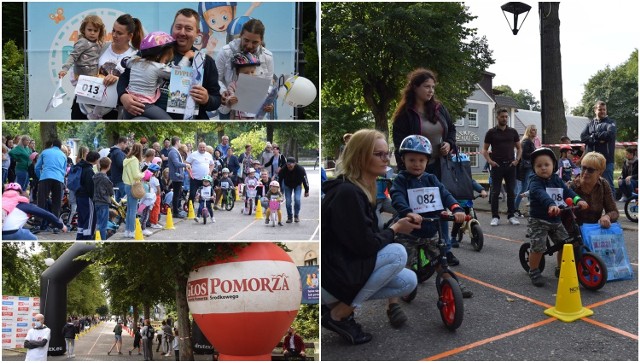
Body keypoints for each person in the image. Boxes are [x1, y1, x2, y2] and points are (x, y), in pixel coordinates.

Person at [321, 129, 421, 345]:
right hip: (329, 277)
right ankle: (340, 314)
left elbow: (366, 238)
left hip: (342, 269)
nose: (386, 159)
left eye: (387, 153)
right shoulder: (347, 193)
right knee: (397, 253)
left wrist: (399, 221)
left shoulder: (362, 189)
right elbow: (367, 247)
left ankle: (334, 307)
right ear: (359, 157)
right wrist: (395, 229)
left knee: (408, 280)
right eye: (379, 154)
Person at [391, 68, 460, 263]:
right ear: (414, 87)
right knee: (416, 208)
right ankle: (411, 243)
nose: (430, 91)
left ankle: (444, 248)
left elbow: (451, 129)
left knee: (438, 208)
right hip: (414, 169)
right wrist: (405, 172)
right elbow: (399, 145)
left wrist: (449, 143)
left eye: (433, 87)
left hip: (438, 165)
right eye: (426, 87)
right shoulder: (405, 114)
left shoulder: (439, 108)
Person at [390, 135, 472, 296]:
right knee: (404, 263)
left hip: (430, 230)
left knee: (440, 261)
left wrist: (456, 208)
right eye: (412, 160)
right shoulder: (401, 180)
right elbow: (397, 197)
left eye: (421, 160)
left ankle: (452, 284)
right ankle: (399, 290)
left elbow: (444, 193)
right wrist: (408, 212)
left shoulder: (431, 179)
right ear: (403, 160)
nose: (417, 164)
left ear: (427, 161)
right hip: (409, 232)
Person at [119, 8, 222, 120]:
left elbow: (216, 99)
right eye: (178, 27)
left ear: (197, 33)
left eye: (188, 29)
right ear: (172, 27)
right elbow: (125, 77)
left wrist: (207, 99)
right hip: (147, 115)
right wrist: (123, 96)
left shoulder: (205, 61)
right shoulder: (154, 49)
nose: (182, 32)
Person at [525, 148, 588, 286]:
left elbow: (567, 191)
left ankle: (560, 268)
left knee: (565, 244)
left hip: (555, 218)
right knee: (538, 247)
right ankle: (534, 270)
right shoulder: (535, 182)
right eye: (539, 166)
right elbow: (541, 194)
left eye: (546, 165)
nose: (543, 168)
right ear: (534, 168)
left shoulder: (556, 179)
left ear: (553, 165)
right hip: (539, 220)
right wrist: (551, 204)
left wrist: (578, 200)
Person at [71, 14, 142, 120]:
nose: (114, 35)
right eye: (113, 30)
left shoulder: (135, 56)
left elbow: (136, 85)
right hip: (84, 105)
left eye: (119, 33)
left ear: (130, 36)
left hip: (112, 111)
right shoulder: (101, 46)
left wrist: (118, 80)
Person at [122, 31, 194, 119]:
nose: (167, 61)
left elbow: (124, 62)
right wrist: (186, 57)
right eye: (167, 58)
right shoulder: (157, 67)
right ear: (160, 55)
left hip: (128, 108)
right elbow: (177, 74)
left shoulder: (134, 61)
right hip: (144, 106)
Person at [216, 18, 274, 119]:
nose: (249, 45)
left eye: (255, 42)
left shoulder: (267, 57)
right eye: (246, 40)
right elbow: (216, 79)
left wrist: (267, 102)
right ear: (241, 35)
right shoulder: (225, 52)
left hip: (254, 110)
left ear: (261, 40)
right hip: (228, 108)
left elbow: (268, 84)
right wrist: (225, 93)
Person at [481, 108, 522, 226]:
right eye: (502, 116)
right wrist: (490, 161)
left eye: (506, 116)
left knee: (511, 192)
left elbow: (519, 148)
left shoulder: (513, 132)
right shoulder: (491, 132)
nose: (504, 118)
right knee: (495, 192)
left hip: (510, 165)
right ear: (497, 117)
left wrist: (517, 160)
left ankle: (511, 215)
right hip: (497, 166)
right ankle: (495, 217)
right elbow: (484, 149)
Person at [567, 152, 619, 228]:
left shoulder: (603, 185)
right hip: (574, 232)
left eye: (590, 170)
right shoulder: (573, 186)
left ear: (600, 172)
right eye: (583, 168)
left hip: (594, 232)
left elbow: (614, 212)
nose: (585, 172)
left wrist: (607, 217)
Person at [2, 183, 67, 240]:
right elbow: (46, 214)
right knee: (33, 239)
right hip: (12, 232)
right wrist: (61, 225)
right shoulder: (24, 205)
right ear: (20, 193)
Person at [580, 100, 617, 195]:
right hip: (590, 162)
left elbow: (609, 135)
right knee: (588, 184)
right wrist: (597, 140)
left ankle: (612, 208)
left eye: (604, 110)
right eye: (600, 109)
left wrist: (592, 135)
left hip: (606, 161)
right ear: (595, 110)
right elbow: (583, 137)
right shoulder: (589, 124)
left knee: (608, 186)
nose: (603, 112)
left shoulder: (611, 123)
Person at [218, 52, 269, 119]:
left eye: (252, 72)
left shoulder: (258, 86)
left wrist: (268, 106)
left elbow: (264, 101)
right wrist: (230, 101)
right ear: (237, 72)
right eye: (246, 73)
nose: (250, 75)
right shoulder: (233, 86)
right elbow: (229, 99)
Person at [34, 139, 67, 234]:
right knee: (56, 203)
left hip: (46, 177)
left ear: (52, 144)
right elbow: (64, 171)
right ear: (60, 147)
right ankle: (55, 226)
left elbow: (37, 167)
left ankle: (37, 224)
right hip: (58, 179)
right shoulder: (63, 155)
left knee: (41, 201)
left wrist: (40, 177)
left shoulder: (45, 152)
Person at [74, 151, 100, 240]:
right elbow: (90, 186)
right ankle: (88, 236)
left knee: (81, 217)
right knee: (90, 218)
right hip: (87, 197)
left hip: (79, 195)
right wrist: (94, 198)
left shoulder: (80, 166)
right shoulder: (89, 170)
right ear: (95, 160)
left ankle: (80, 235)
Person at [277, 157, 309, 223]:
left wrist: (306, 190)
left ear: (295, 164)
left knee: (297, 199)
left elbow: (305, 180)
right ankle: (289, 217)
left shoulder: (300, 169)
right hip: (287, 185)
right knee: (288, 201)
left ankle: (296, 215)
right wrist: (279, 189)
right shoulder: (283, 169)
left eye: (291, 164)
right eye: (288, 164)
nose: (289, 166)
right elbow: (279, 179)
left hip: (297, 185)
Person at [186, 142, 215, 213]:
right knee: (192, 194)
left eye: (203, 147)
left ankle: (206, 208)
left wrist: (210, 171)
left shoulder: (208, 155)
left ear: (206, 148)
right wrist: (189, 173)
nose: (202, 149)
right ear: (198, 147)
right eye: (201, 147)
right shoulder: (193, 154)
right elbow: (186, 163)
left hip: (205, 179)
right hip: (195, 178)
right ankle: (190, 209)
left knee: (207, 194)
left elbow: (212, 164)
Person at [122, 143, 144, 238]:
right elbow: (136, 175)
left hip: (127, 184)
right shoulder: (134, 160)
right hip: (133, 185)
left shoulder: (127, 159)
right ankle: (131, 230)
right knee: (133, 210)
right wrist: (143, 174)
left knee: (129, 209)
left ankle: (127, 230)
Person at [514, 125, 537, 218]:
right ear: (528, 131)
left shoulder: (529, 141)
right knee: (523, 189)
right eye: (532, 130)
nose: (534, 132)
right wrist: (535, 153)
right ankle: (514, 209)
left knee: (528, 188)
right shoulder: (526, 141)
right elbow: (524, 155)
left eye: (535, 130)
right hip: (526, 168)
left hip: (528, 167)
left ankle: (531, 209)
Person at [168, 137, 190, 218]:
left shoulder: (174, 151)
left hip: (178, 176)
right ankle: (175, 212)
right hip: (176, 176)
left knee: (178, 193)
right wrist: (186, 164)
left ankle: (177, 209)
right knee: (176, 194)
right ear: (177, 142)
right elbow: (176, 163)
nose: (180, 143)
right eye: (180, 141)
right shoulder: (173, 152)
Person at [93, 157, 113, 240]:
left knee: (97, 223)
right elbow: (111, 192)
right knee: (103, 225)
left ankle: (96, 238)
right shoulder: (106, 179)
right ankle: (102, 240)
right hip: (104, 202)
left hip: (95, 201)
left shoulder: (94, 176)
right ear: (108, 166)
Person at [108, 137, 128, 201]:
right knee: (123, 199)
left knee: (118, 199)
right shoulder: (118, 153)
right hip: (120, 178)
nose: (126, 146)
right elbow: (121, 165)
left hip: (115, 177)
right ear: (122, 143)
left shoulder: (112, 152)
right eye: (126, 144)